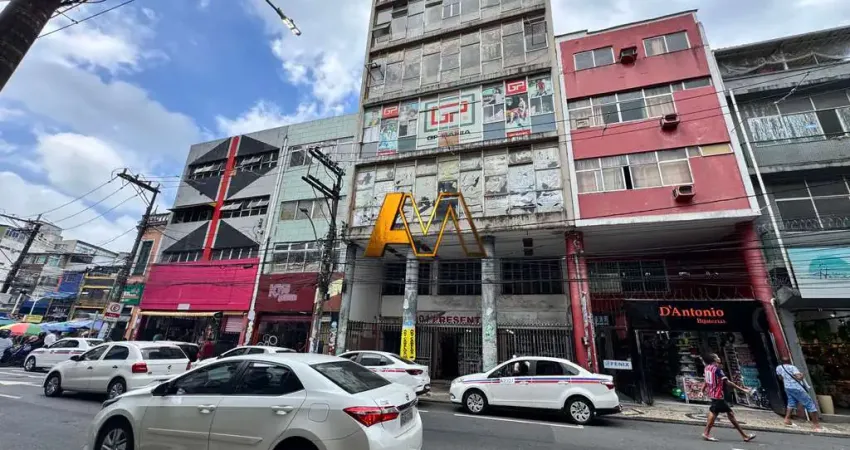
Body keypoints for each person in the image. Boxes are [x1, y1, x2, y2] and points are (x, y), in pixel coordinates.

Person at [702, 353, 756, 443]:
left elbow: (706, 381)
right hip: (718, 396)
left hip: (712, 395)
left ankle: (706, 433)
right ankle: (745, 436)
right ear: (714, 360)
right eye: (717, 357)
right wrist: (743, 389)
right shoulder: (717, 369)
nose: (719, 358)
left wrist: (702, 390)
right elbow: (728, 382)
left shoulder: (707, 368)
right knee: (728, 414)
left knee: (715, 413)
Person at [776, 357, 822, 431]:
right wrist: (802, 375)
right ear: (789, 361)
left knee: (791, 403)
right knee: (810, 404)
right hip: (797, 388)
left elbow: (781, 378)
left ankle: (787, 419)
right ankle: (816, 425)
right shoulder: (793, 367)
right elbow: (799, 378)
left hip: (787, 387)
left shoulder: (779, 368)